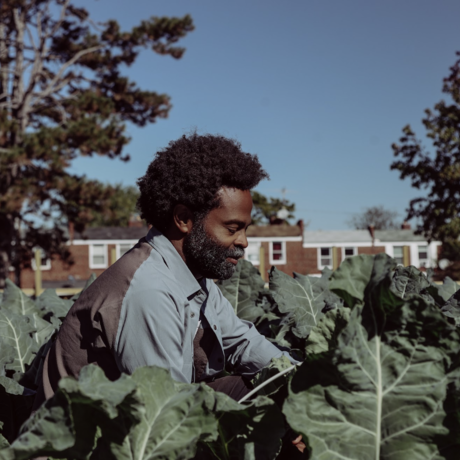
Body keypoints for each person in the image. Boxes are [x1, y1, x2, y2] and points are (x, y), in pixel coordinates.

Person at [33, 133, 297, 409]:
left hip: (149, 413)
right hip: (90, 432)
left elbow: (244, 344)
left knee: (276, 387)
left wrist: (306, 376)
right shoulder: (148, 290)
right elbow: (164, 409)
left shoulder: (196, 279)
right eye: (232, 229)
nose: (243, 241)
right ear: (183, 219)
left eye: (244, 229)